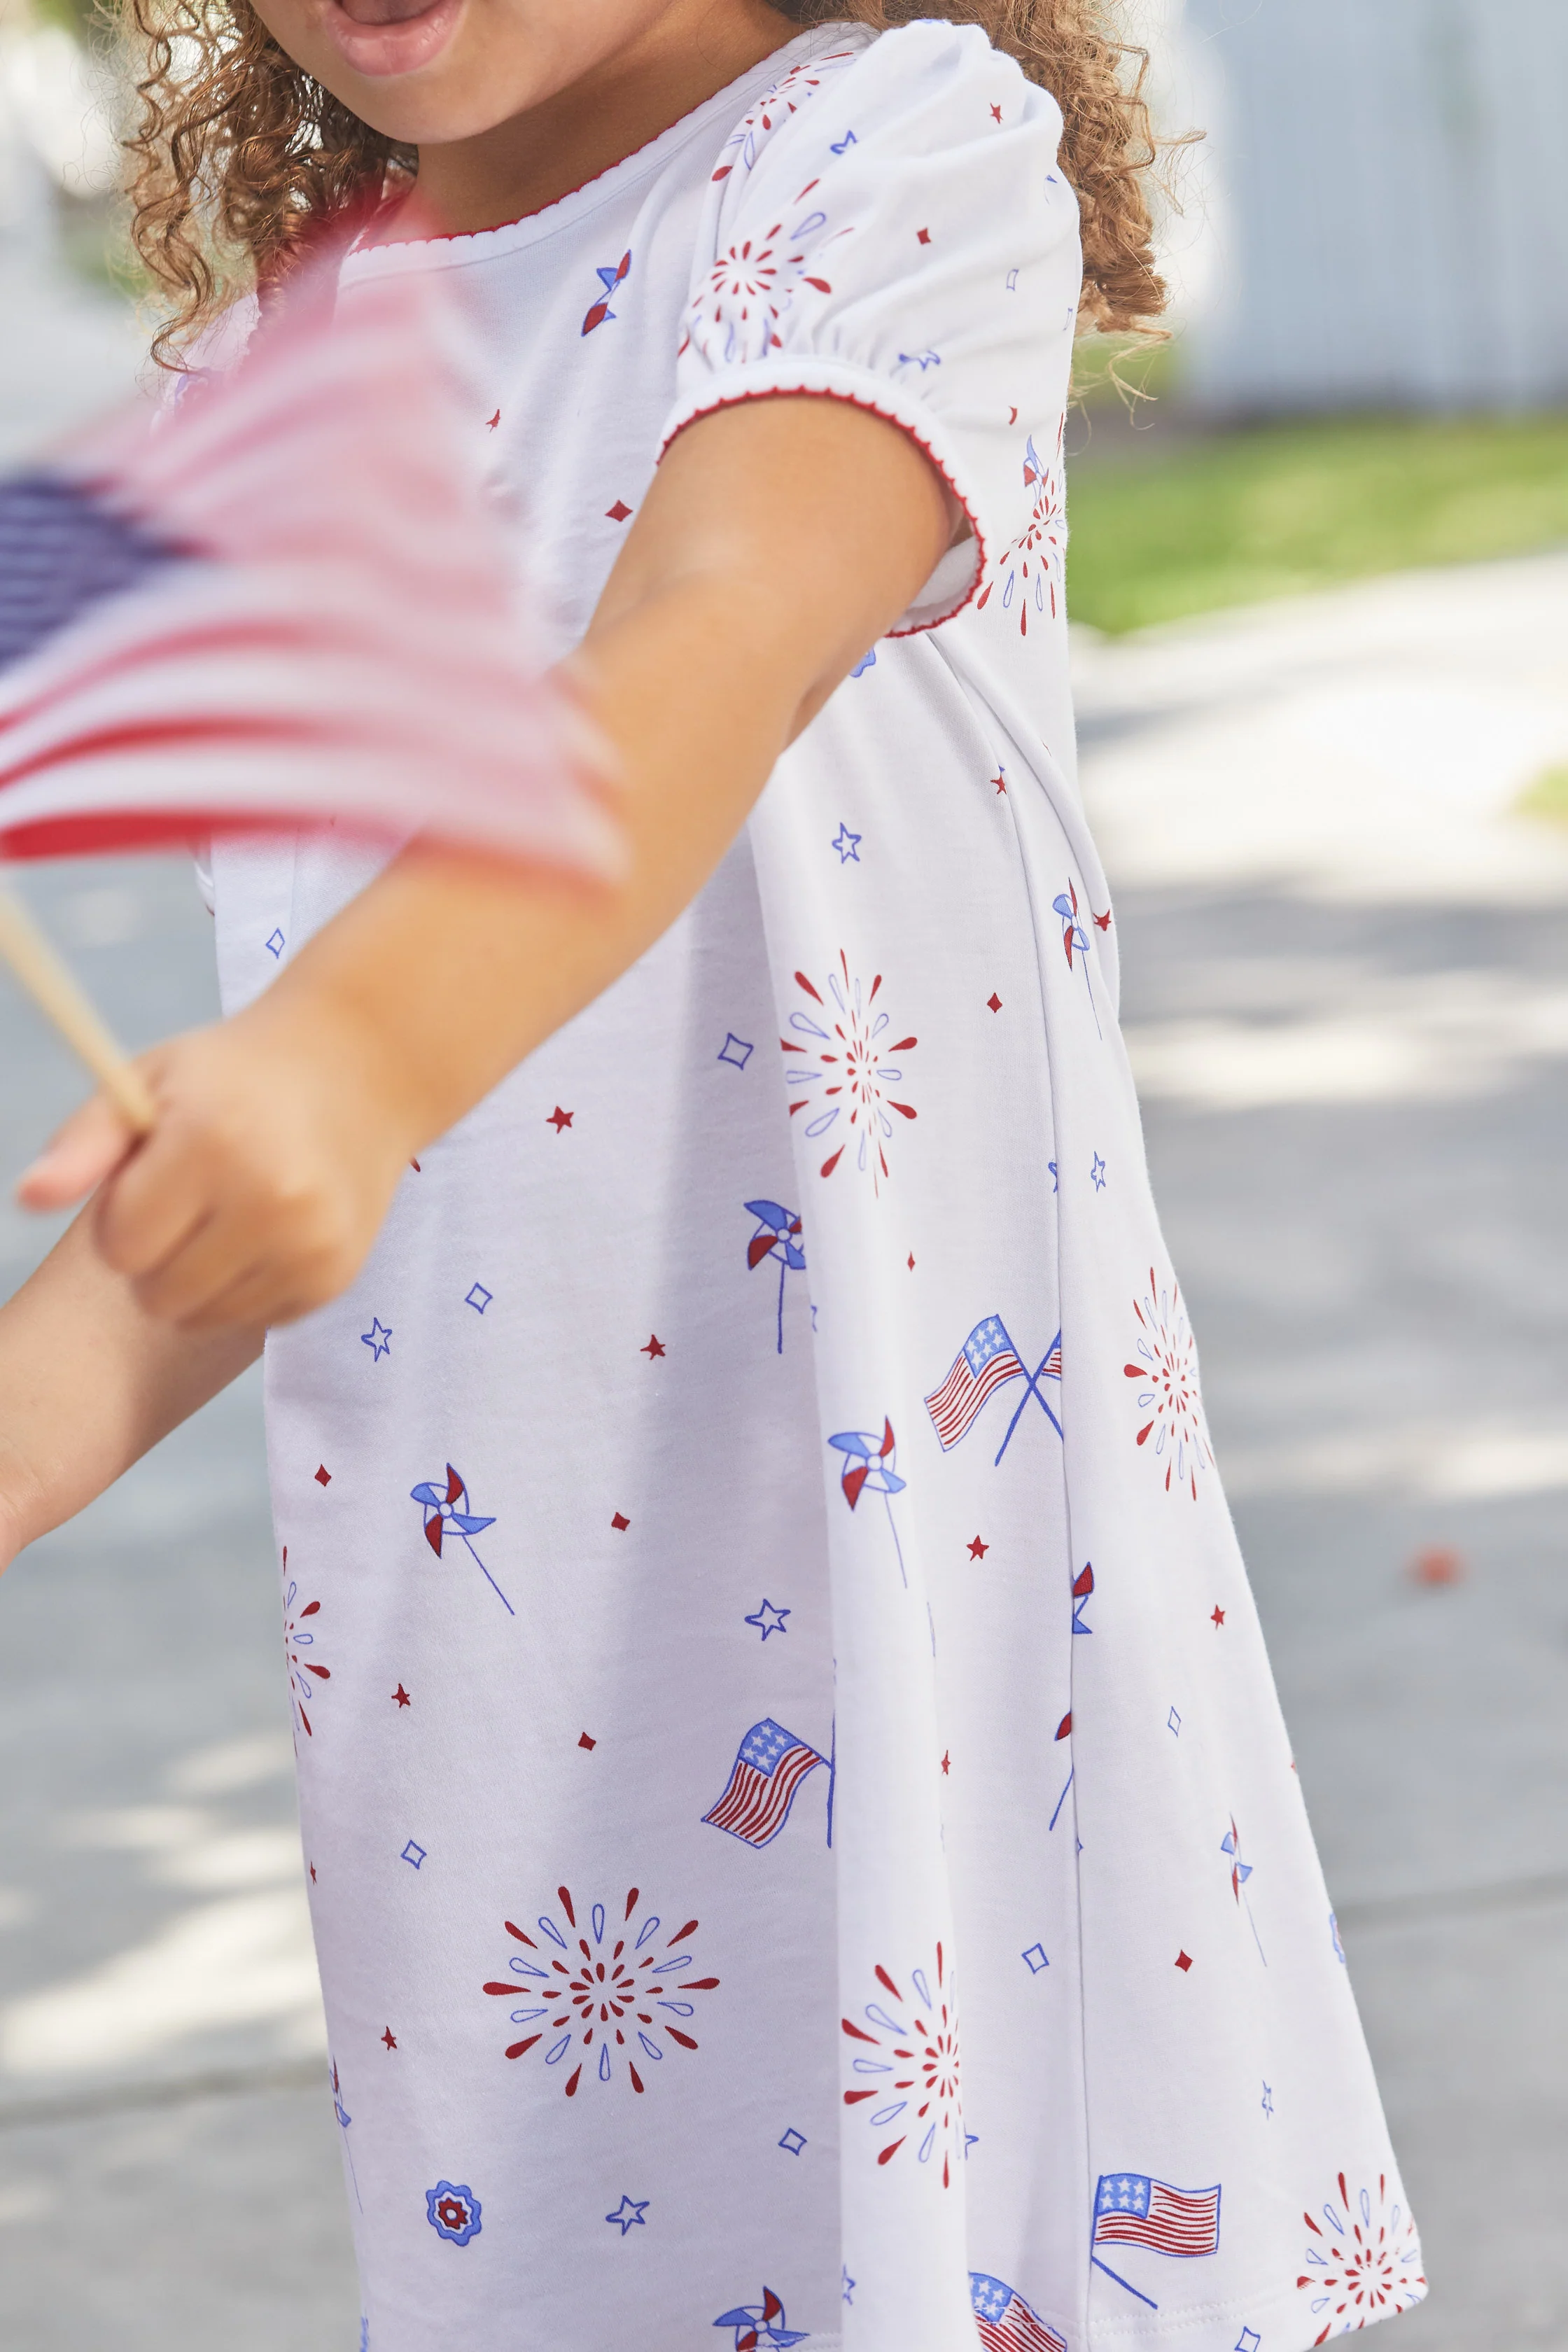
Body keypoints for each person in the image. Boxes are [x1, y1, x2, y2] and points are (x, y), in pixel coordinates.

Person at [0, 3, 1426, 2348]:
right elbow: (262, 1157)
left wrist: (343, 1063)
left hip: (909, 1610)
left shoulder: (881, 159)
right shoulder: (288, 363)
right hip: (501, 1716)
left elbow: (709, 632)